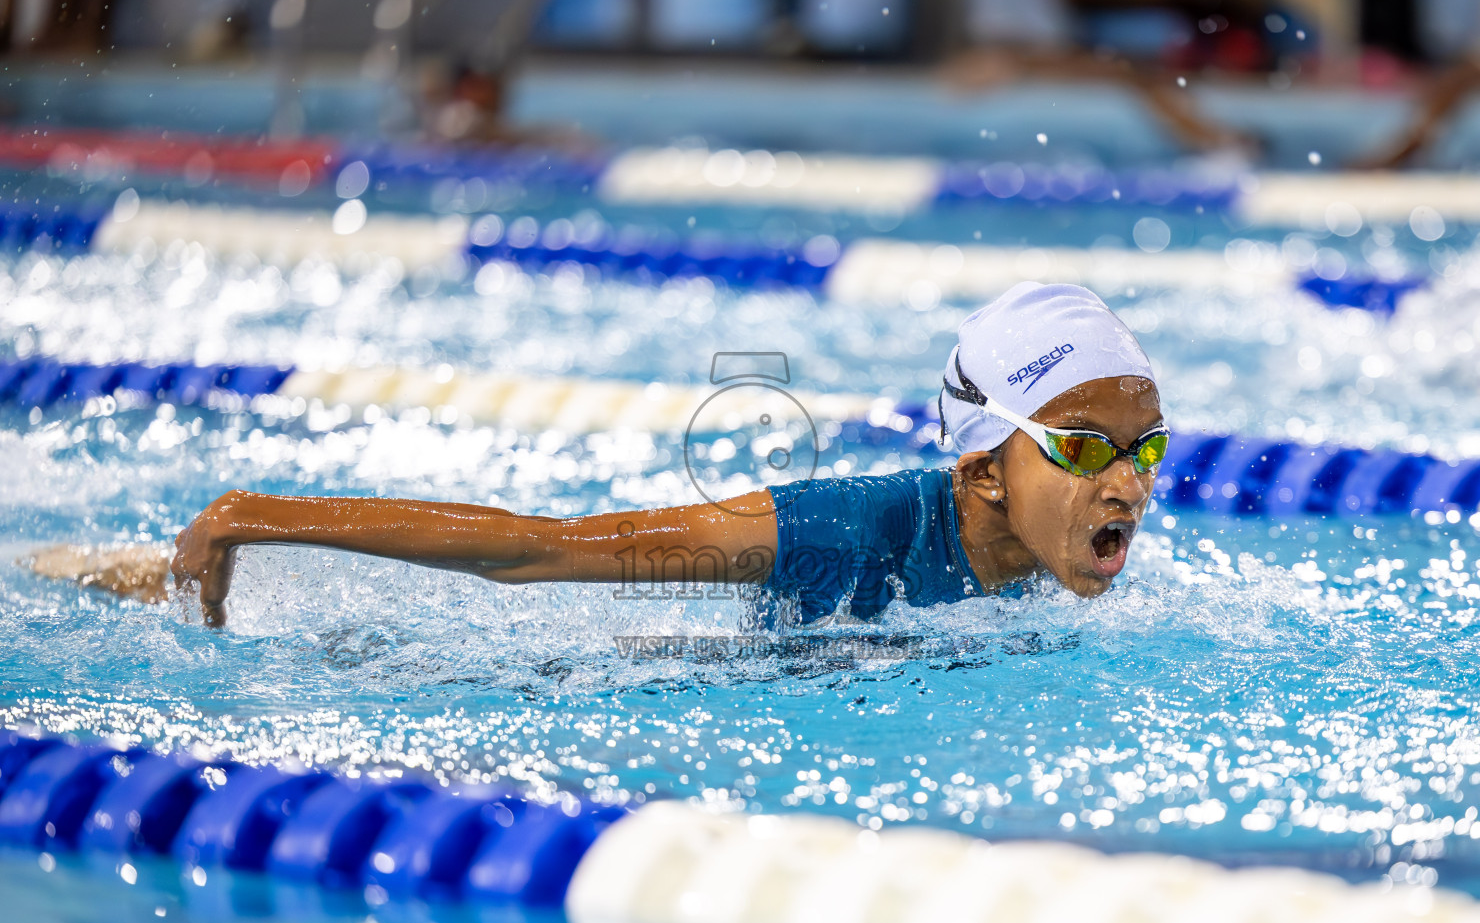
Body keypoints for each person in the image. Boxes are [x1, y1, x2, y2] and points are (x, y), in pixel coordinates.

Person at [25, 282, 1168, 627]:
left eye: (1143, 445)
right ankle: (124, 565)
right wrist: (246, 512)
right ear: (980, 471)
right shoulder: (840, 531)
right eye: (1082, 445)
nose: (1129, 481)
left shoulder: (1057, 563)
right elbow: (539, 552)